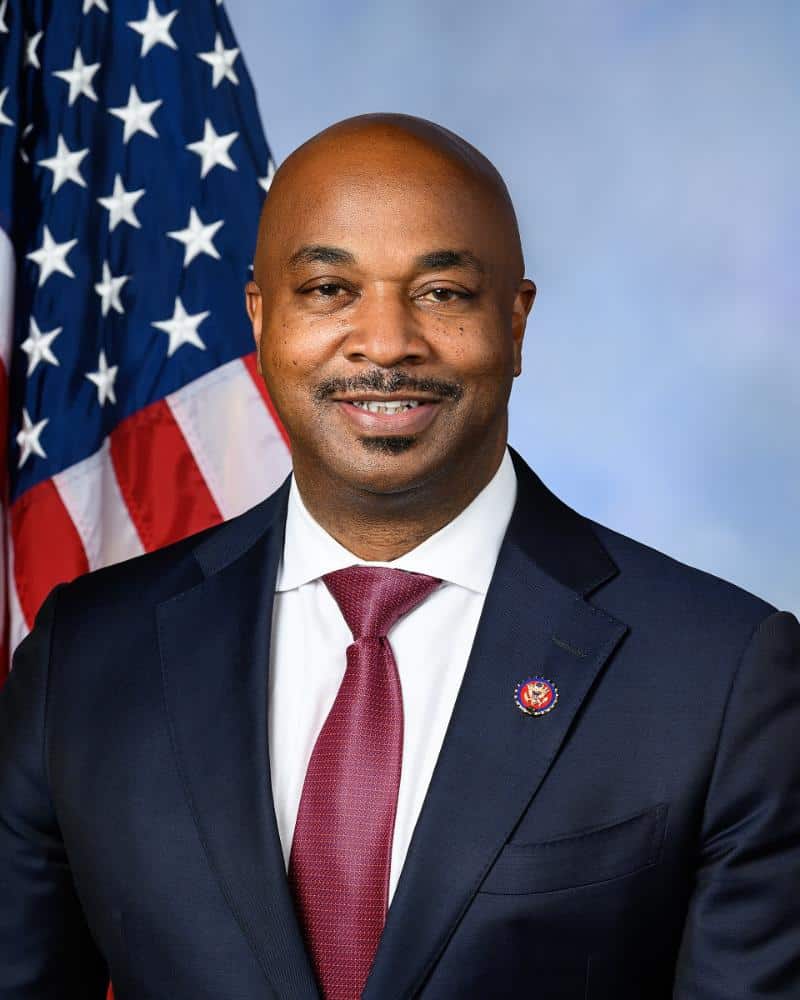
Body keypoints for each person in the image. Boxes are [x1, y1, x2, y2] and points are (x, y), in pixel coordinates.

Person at [0, 113, 798, 1000]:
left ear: (517, 320)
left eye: (443, 293)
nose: (385, 343)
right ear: (261, 317)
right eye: (329, 289)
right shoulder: (82, 659)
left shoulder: (722, 676)